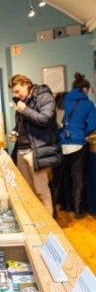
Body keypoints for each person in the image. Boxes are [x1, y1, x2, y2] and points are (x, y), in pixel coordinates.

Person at [8, 74, 62, 215]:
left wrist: (24, 110)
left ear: (26, 84)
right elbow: (22, 125)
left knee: (41, 191)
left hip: (37, 152)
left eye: (18, 91)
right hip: (22, 151)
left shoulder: (44, 96)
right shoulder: (21, 102)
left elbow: (46, 119)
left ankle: (48, 225)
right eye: (14, 93)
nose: (16, 95)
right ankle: (36, 222)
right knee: (28, 192)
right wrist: (15, 132)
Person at [55, 72, 96, 217]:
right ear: (85, 89)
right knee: (78, 178)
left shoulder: (62, 100)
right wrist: (82, 133)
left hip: (61, 143)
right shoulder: (88, 104)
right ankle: (78, 211)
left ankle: (66, 206)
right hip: (78, 144)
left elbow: (56, 121)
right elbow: (93, 125)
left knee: (63, 177)